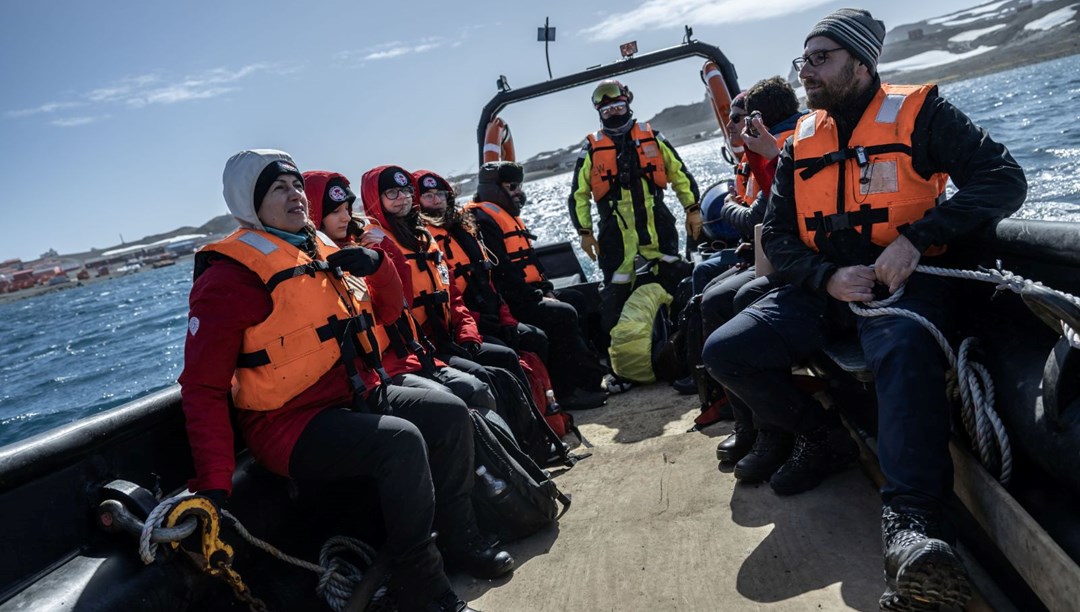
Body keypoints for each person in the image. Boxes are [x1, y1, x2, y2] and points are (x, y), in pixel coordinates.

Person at [702, 9, 1026, 610]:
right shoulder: (801, 140)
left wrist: (917, 237)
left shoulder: (921, 113)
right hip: (826, 291)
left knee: (904, 352)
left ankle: (913, 527)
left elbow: (1003, 178)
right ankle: (822, 438)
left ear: (860, 62)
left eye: (820, 58)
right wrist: (825, 278)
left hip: (906, 283)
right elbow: (777, 237)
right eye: (803, 60)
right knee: (727, 351)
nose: (806, 72)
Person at [179, 150, 509, 612]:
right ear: (249, 202)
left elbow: (391, 311)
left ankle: (463, 539)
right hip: (288, 423)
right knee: (401, 442)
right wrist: (214, 483)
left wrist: (377, 265)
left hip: (354, 392)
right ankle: (424, 587)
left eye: (296, 185)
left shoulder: (321, 247)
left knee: (451, 413)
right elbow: (202, 387)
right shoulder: (229, 278)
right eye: (278, 188)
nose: (295, 194)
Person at [568, 79, 702, 379]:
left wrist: (692, 209)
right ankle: (618, 367)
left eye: (618, 106)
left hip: (657, 226)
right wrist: (584, 231)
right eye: (607, 110)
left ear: (628, 104)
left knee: (677, 283)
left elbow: (680, 174)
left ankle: (684, 353)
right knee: (614, 296)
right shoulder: (591, 148)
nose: (614, 113)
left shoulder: (653, 137)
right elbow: (578, 194)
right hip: (616, 234)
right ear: (599, 113)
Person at [468, 161, 609, 409]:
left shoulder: (507, 216)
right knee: (561, 314)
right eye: (512, 187)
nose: (518, 192)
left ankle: (589, 379)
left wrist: (546, 288)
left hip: (528, 293)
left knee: (576, 299)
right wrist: (536, 296)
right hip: (510, 301)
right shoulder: (482, 220)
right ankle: (566, 393)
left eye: (519, 186)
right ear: (493, 188)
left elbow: (531, 260)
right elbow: (503, 273)